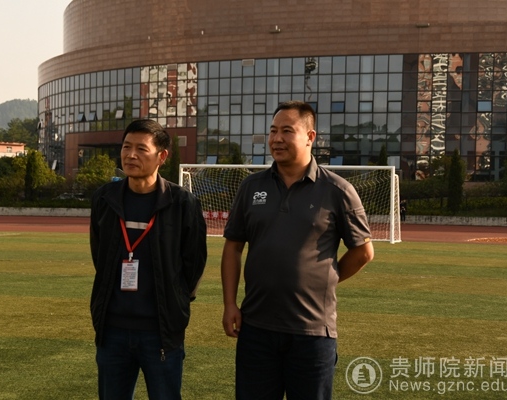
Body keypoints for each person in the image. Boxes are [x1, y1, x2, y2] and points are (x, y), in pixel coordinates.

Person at [221, 101, 375, 399]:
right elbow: (233, 248)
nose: (277, 139)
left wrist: (326, 278)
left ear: (310, 136)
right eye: (273, 131)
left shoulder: (338, 190)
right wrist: (229, 304)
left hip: (313, 333)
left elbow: (363, 253)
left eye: (287, 131)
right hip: (256, 329)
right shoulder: (251, 187)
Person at [90, 119, 207, 400]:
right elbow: (99, 255)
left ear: (161, 156)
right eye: (126, 147)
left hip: (161, 331)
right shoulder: (104, 199)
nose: (131, 155)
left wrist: (177, 302)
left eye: (141, 149)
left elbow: (194, 264)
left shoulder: (183, 203)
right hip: (112, 330)